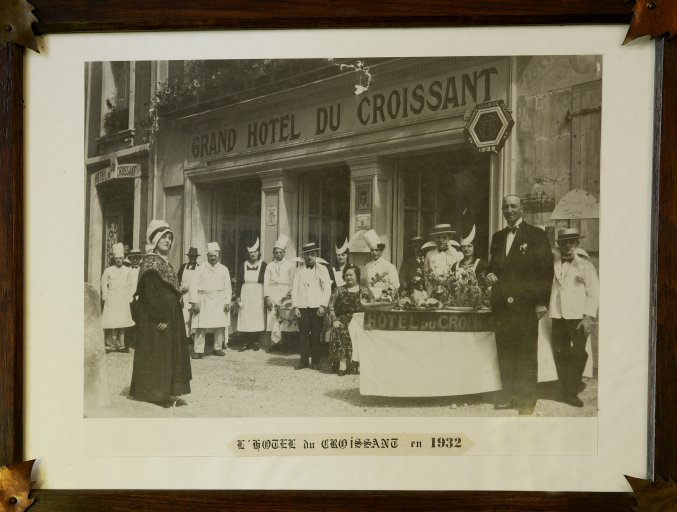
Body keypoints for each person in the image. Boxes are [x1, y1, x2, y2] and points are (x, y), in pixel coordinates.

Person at [485, 195, 554, 415]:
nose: (509, 209)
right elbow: (492, 267)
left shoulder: (536, 235)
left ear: (522, 209)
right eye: (505, 206)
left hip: (526, 305)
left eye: (513, 206)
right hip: (502, 306)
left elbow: (545, 271)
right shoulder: (497, 237)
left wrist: (542, 301)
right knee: (506, 352)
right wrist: (489, 275)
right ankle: (510, 395)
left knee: (525, 353)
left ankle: (527, 400)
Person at [129, 220, 192, 407]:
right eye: (163, 237)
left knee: (168, 352)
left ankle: (169, 392)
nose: (167, 240)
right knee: (159, 353)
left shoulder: (164, 262)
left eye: (170, 237)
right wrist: (159, 317)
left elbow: (168, 290)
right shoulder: (150, 263)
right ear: (155, 240)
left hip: (170, 315)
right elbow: (150, 292)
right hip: (157, 318)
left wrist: (180, 291)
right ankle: (157, 394)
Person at [549, 228, 599, 407]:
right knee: (560, 353)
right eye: (564, 242)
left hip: (578, 317)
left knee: (578, 354)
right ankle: (563, 389)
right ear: (559, 245)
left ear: (577, 244)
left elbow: (593, 293)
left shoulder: (585, 265)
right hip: (557, 315)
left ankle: (571, 392)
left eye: (572, 242)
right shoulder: (553, 263)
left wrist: (588, 317)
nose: (568, 246)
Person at [291, 242, 332, 370]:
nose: (310, 257)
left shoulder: (322, 269)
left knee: (315, 335)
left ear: (316, 255)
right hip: (302, 306)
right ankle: (303, 361)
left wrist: (323, 305)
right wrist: (295, 306)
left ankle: (315, 361)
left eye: (312, 254)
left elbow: (327, 289)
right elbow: (294, 288)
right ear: (303, 256)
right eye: (307, 254)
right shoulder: (299, 270)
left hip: (316, 307)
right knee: (303, 335)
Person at [328, 265, 374, 376]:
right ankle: (342, 363)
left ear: (357, 276)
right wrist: (334, 319)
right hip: (343, 319)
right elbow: (330, 306)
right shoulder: (338, 290)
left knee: (363, 332)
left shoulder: (365, 290)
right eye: (346, 275)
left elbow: (373, 305)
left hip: (359, 319)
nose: (348, 277)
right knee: (340, 329)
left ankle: (358, 363)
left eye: (351, 275)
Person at [189, 242, 232, 359]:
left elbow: (228, 286)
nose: (213, 258)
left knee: (219, 325)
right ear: (207, 256)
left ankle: (217, 348)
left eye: (215, 256)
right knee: (200, 326)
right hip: (203, 299)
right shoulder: (200, 269)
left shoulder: (224, 269)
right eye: (211, 255)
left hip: (219, 299)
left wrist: (227, 301)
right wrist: (194, 302)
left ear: (219, 256)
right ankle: (198, 350)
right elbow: (193, 286)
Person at [263, 235, 297, 353]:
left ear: (284, 252)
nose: (278, 255)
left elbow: (293, 281)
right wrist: (267, 297)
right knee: (273, 318)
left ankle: (284, 344)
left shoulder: (289, 265)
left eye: (281, 252)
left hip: (285, 293)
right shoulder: (269, 266)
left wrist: (290, 296)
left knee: (284, 318)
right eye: (276, 252)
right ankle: (274, 343)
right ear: (273, 253)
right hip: (273, 293)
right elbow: (266, 282)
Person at [100, 242, 135, 353]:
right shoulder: (108, 270)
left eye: (120, 258)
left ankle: (121, 345)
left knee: (122, 321)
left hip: (123, 297)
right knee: (111, 321)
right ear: (114, 259)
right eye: (117, 259)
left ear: (123, 258)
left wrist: (130, 295)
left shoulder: (128, 270)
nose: (119, 260)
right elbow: (103, 283)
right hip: (112, 297)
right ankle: (110, 344)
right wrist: (105, 294)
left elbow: (132, 284)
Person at [236, 237, 267, 352]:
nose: (253, 254)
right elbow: (239, 282)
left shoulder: (264, 265)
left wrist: (265, 296)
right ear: (248, 254)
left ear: (258, 253)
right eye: (251, 252)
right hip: (246, 293)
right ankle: (245, 342)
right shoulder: (243, 265)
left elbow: (267, 282)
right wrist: (238, 296)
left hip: (258, 293)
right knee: (245, 316)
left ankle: (255, 342)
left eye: (255, 252)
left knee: (256, 316)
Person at [363, 229, 399, 301]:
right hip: (369, 299)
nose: (374, 253)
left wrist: (387, 294)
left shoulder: (389, 266)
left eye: (377, 250)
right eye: (372, 250)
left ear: (381, 251)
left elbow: (395, 285)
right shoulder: (367, 266)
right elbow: (364, 284)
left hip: (384, 298)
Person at [425, 223, 462, 290]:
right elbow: (426, 275)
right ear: (435, 238)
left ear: (449, 238)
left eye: (444, 237)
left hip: (452, 289)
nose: (441, 240)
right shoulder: (429, 255)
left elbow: (458, 274)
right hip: (435, 290)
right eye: (438, 237)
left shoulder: (455, 254)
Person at [178, 247, 200, 342]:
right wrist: (180, 290)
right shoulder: (183, 266)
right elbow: (178, 279)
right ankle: (185, 336)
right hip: (184, 295)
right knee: (185, 315)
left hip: (194, 294)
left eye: (194, 256)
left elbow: (200, 282)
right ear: (188, 257)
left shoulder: (199, 267)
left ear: (196, 257)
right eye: (191, 256)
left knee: (193, 315)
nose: (192, 258)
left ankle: (193, 335)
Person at [126, 248, 143, 350]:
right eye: (133, 259)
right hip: (129, 298)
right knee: (129, 321)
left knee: (140, 321)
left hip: (140, 298)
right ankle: (129, 343)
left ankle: (138, 344)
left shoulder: (141, 270)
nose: (135, 260)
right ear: (130, 260)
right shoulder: (127, 271)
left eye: (137, 258)